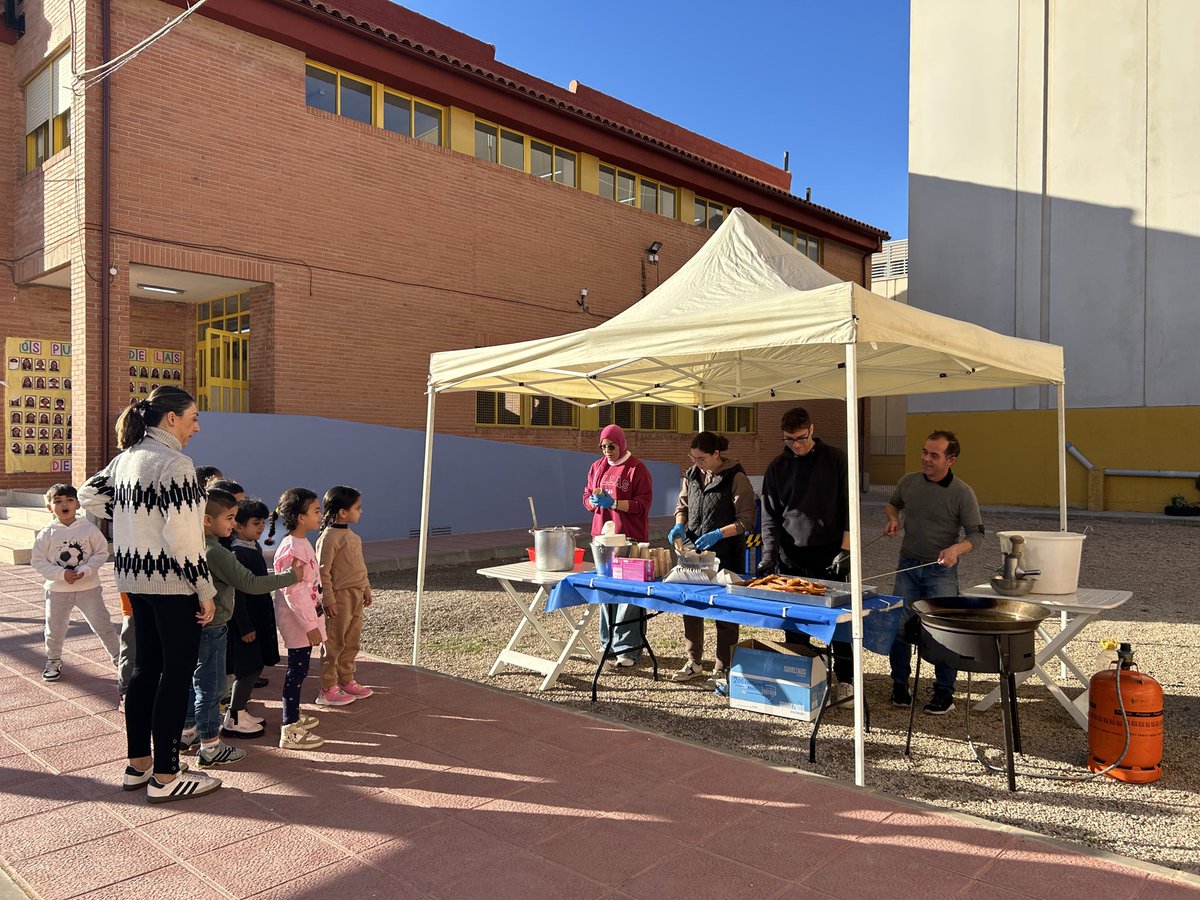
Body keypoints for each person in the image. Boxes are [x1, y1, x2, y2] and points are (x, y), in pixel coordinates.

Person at [78, 386, 222, 803]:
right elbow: (184, 537)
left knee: (145, 670)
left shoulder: (127, 457)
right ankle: (166, 775)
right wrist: (205, 589)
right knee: (175, 676)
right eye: (193, 418)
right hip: (172, 583)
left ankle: (138, 765)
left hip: (133, 579)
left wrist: (131, 517)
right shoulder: (174, 463)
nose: (197, 427)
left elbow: (89, 493)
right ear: (171, 418)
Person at [183, 490, 300, 764]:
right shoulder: (216, 551)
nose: (233, 524)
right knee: (211, 687)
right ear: (207, 520)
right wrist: (291, 576)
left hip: (196, 625)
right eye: (229, 518)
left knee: (195, 682)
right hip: (213, 627)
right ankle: (211, 745)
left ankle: (188, 732)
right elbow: (249, 583)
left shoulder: (191, 544)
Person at [757, 408, 854, 699]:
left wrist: (846, 549)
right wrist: (769, 556)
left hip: (830, 554)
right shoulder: (776, 467)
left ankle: (846, 678)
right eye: (789, 439)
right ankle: (803, 676)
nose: (796, 445)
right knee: (795, 622)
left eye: (800, 438)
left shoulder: (836, 458)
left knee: (837, 621)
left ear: (811, 430)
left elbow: (848, 505)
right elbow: (770, 516)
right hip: (791, 556)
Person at [885, 430, 985, 715]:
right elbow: (893, 504)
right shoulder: (909, 482)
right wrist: (893, 519)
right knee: (899, 627)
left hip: (941, 572)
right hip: (908, 566)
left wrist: (956, 549)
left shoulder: (962, 493)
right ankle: (900, 685)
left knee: (944, 631)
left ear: (950, 460)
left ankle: (944, 692)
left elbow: (977, 535)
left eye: (934, 455)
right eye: (924, 452)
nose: (926, 459)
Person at [667, 432, 756, 689]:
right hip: (694, 553)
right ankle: (693, 661)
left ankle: (723, 667)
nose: (697, 463)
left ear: (717, 454)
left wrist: (719, 533)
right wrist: (679, 524)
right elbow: (682, 505)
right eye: (693, 458)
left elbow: (747, 520)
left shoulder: (736, 477)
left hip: (727, 554)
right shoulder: (692, 475)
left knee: (725, 612)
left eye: (702, 458)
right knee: (690, 607)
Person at [31, 483, 119, 684]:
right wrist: (61, 574)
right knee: (54, 629)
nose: (64, 505)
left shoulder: (88, 528)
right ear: (49, 507)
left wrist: (86, 570)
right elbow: (38, 561)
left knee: (103, 624)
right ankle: (53, 661)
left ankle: (118, 658)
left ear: (78, 504)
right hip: (57, 591)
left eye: (69, 500)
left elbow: (101, 552)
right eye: (58, 501)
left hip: (89, 588)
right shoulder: (47, 533)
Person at [582, 424, 653, 668]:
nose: (607, 451)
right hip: (602, 539)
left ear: (621, 444)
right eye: (602, 446)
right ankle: (608, 643)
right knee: (606, 592)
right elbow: (586, 496)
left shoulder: (636, 468)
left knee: (629, 594)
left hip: (629, 538)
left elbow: (643, 504)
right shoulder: (597, 467)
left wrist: (614, 503)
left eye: (611, 446)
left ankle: (628, 648)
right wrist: (593, 502)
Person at [266, 488, 328, 749]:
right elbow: (294, 591)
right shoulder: (292, 548)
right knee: (297, 671)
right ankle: (289, 727)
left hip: (305, 619)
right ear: (301, 517)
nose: (320, 515)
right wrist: (310, 625)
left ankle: (292, 715)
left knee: (300, 670)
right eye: (316, 511)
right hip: (298, 622)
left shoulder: (300, 543)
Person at [225, 498, 282, 736]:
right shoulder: (237, 553)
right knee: (248, 668)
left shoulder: (252, 547)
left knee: (255, 666)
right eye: (256, 523)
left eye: (263, 522)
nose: (261, 528)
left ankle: (239, 711)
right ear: (238, 526)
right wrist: (245, 625)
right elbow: (237, 594)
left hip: (257, 616)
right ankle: (234, 716)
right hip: (245, 621)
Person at [316, 486, 375, 700]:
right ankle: (328, 687)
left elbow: (360, 566)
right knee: (334, 642)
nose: (361, 511)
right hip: (339, 598)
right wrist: (329, 599)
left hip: (356, 596)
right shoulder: (329, 538)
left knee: (351, 641)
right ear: (342, 512)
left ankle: (346, 679)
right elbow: (323, 572)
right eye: (357, 508)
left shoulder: (353, 537)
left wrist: (366, 588)